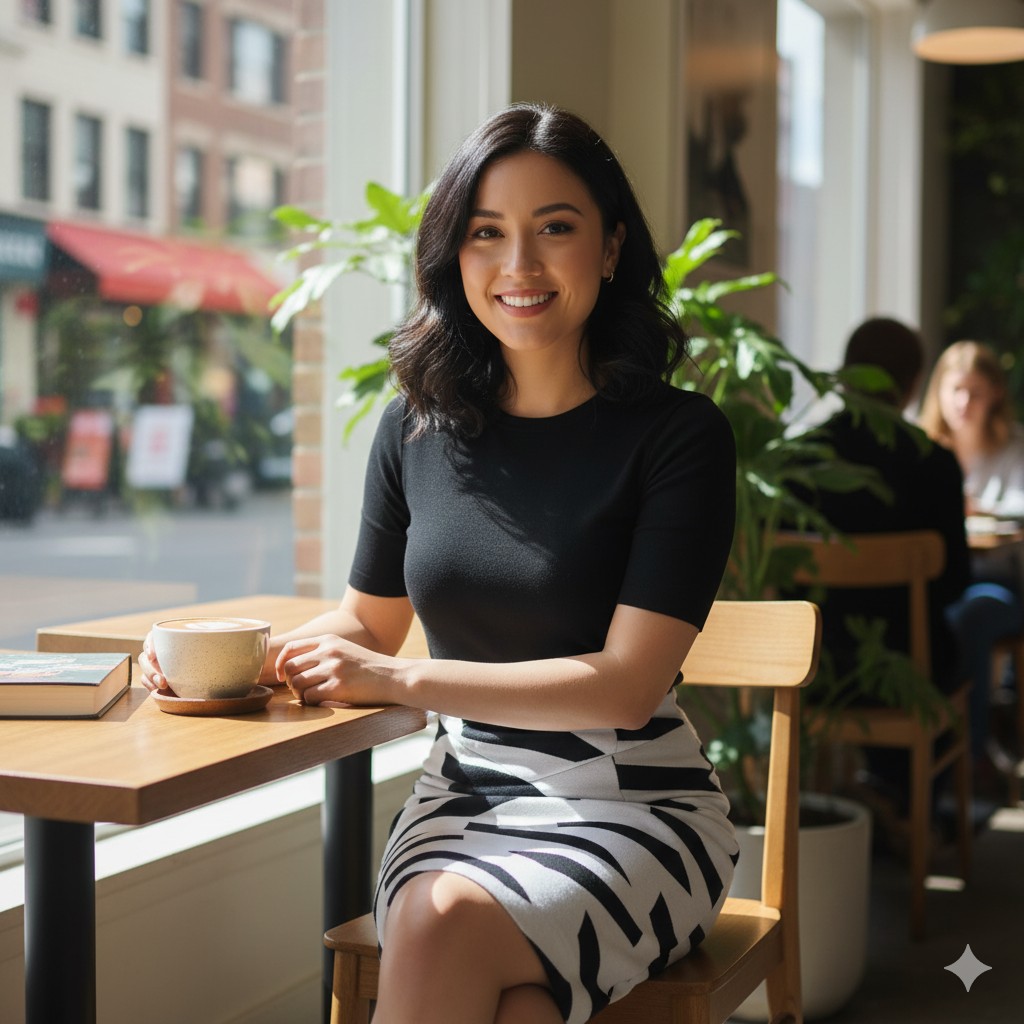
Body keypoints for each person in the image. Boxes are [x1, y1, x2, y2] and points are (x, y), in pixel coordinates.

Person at [139, 105, 738, 1024]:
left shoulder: (679, 437)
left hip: (635, 802)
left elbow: (624, 688)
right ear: (454, 259)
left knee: (441, 921)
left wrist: (399, 678)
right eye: (485, 234)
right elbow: (366, 622)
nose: (519, 267)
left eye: (556, 230)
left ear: (612, 249)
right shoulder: (415, 428)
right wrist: (246, 660)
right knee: (509, 997)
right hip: (466, 793)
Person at [919, 341, 1023, 765]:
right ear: (938, 392)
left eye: (975, 392)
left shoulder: (1013, 448)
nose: (964, 402)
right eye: (955, 390)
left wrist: (980, 509)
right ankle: (925, 753)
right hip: (941, 578)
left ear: (995, 393)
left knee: (969, 615)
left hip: (1002, 583)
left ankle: (972, 751)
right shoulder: (925, 449)